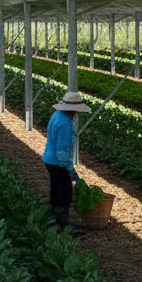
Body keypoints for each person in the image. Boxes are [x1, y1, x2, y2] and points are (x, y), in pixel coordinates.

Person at [43, 91, 91, 227]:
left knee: (55, 189)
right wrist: (72, 172)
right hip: (58, 162)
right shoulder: (65, 123)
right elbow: (62, 152)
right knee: (64, 193)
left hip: (49, 159)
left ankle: (52, 220)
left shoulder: (57, 115)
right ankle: (63, 226)